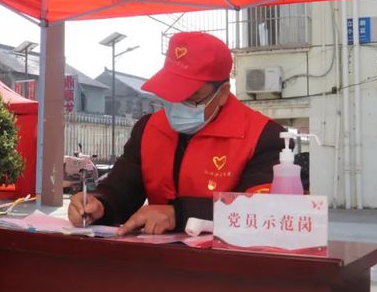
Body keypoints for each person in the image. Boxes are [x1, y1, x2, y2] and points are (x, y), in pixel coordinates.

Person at [68, 31, 288, 236]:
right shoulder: (148, 128)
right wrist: (98, 204)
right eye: (171, 93)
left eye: (191, 97)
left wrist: (179, 214)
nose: (177, 105)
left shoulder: (265, 137)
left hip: (229, 260)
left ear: (222, 93)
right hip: (160, 258)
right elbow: (123, 188)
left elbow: (262, 210)